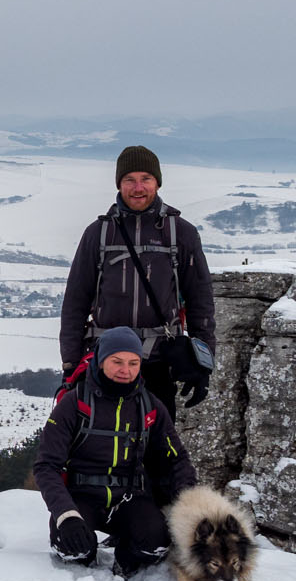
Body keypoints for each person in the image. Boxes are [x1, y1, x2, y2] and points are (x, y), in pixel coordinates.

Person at [59, 144, 216, 425]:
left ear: (157, 182)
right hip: (105, 360)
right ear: (119, 184)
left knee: (157, 450)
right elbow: (75, 301)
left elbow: (200, 300)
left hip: (159, 360)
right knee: (103, 447)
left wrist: (203, 362)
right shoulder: (99, 233)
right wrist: (71, 364)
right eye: (129, 179)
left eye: (146, 179)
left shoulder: (181, 233)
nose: (138, 187)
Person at [31, 327, 197, 576]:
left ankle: (126, 561)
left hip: (131, 496)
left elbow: (177, 460)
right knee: (72, 546)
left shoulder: (150, 406)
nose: (126, 370)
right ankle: (84, 565)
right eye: (117, 362)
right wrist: (66, 514)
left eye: (133, 363)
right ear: (100, 360)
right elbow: (46, 466)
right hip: (82, 497)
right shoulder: (75, 403)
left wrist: (189, 505)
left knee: (157, 543)